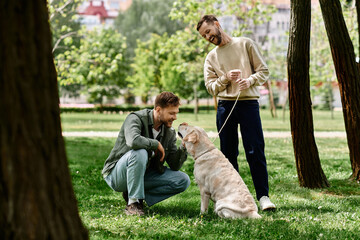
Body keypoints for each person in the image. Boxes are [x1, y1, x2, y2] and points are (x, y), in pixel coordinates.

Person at [196, 15, 276, 211]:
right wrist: (224, 78)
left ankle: (263, 197)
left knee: (255, 149)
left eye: (208, 31)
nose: (207, 37)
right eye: (204, 36)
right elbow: (211, 87)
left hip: (249, 104)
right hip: (225, 107)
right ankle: (233, 197)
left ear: (217, 24)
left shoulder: (245, 43)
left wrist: (249, 81)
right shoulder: (211, 57)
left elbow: (264, 71)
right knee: (228, 154)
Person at [102, 92, 190, 216]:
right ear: (158, 110)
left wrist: (184, 145)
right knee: (140, 152)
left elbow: (174, 165)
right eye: (171, 113)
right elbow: (133, 141)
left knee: (183, 180)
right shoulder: (135, 118)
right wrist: (155, 144)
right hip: (117, 175)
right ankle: (133, 203)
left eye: (176, 113)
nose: (175, 117)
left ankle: (134, 195)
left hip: (143, 175)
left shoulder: (169, 132)